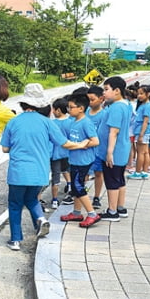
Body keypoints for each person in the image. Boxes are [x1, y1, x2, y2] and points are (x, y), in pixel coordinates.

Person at [0, 83, 88, 251]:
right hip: (39, 172)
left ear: (24, 103)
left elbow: (5, 148)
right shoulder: (47, 123)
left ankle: (16, 240)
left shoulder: (13, 122)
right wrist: (82, 144)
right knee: (32, 199)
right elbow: (65, 143)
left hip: (18, 172)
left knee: (15, 204)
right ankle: (40, 219)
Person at [60, 94, 100, 227]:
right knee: (77, 187)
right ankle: (76, 213)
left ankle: (92, 214)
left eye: (71, 107)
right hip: (75, 160)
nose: (69, 110)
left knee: (78, 186)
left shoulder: (86, 123)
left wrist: (84, 144)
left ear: (81, 108)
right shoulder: (73, 122)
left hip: (83, 160)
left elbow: (95, 141)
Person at [97, 76, 132, 221]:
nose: (104, 93)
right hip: (122, 149)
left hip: (114, 150)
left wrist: (109, 152)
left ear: (117, 91)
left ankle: (112, 212)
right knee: (119, 179)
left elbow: (114, 131)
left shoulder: (117, 107)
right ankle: (120, 207)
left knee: (111, 181)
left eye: (106, 89)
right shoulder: (126, 104)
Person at [86, 85, 108, 209]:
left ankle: (96, 196)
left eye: (92, 99)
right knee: (83, 174)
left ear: (101, 99)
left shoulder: (104, 115)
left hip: (98, 150)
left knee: (98, 173)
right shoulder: (85, 112)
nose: (90, 102)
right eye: (88, 99)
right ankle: (81, 194)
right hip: (84, 150)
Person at [49, 97, 72, 209]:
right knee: (66, 170)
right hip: (67, 153)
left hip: (55, 154)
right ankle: (69, 186)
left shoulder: (52, 123)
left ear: (58, 110)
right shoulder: (70, 122)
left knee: (55, 177)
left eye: (53, 109)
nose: (52, 111)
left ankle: (54, 200)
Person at [128, 86, 150, 179]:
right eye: (138, 93)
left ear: (148, 94)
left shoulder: (147, 106)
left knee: (140, 152)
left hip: (142, 131)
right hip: (143, 131)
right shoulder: (144, 105)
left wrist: (141, 135)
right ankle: (144, 171)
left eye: (141, 93)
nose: (139, 96)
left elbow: (145, 121)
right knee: (145, 152)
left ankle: (138, 172)